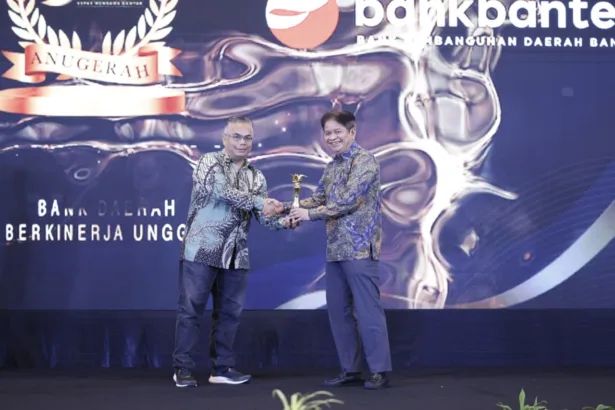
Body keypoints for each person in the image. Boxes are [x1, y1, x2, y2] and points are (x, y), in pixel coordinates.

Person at [172, 116, 291, 388]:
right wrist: (261, 202)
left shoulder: (256, 177)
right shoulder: (208, 162)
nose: (242, 142)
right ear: (224, 139)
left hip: (236, 256)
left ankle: (222, 369)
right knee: (190, 311)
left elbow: (263, 219)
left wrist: (284, 221)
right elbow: (221, 192)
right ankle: (183, 369)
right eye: (236, 136)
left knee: (229, 316)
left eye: (247, 137)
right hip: (201, 251)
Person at [285, 110, 392, 389]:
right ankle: (350, 369)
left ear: (352, 132)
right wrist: (288, 208)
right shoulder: (331, 166)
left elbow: (347, 200)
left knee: (368, 312)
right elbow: (318, 198)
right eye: (328, 133)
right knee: (339, 312)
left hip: (359, 249)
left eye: (337, 132)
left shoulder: (365, 161)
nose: (332, 137)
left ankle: (379, 370)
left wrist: (308, 215)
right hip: (335, 250)